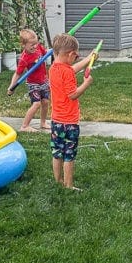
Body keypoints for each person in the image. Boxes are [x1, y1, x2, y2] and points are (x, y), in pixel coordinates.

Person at [48, 32, 95, 190]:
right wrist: (86, 84)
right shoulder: (67, 72)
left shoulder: (54, 68)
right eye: (76, 56)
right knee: (69, 155)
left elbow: (71, 69)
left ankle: (58, 181)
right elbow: (73, 94)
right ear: (70, 54)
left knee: (57, 152)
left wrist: (87, 59)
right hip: (70, 123)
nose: (76, 59)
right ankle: (69, 185)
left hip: (56, 121)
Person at [7, 29, 50, 132]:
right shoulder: (24, 59)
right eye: (32, 45)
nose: (35, 46)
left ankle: (43, 122)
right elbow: (18, 74)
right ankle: (25, 126)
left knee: (45, 102)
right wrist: (11, 86)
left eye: (36, 43)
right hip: (33, 83)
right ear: (23, 44)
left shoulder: (39, 47)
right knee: (36, 104)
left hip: (44, 80)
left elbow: (46, 54)